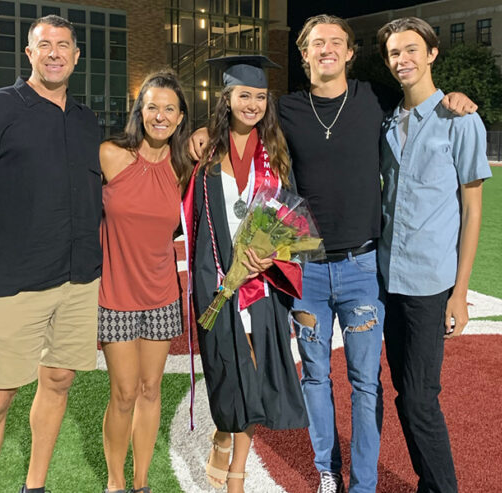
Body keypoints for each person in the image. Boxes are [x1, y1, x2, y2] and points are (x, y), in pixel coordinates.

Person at [190, 14, 477, 493]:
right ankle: (329, 472)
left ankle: (364, 483)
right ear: (304, 56)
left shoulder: (374, 99)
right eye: (315, 43)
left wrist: (453, 97)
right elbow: (242, 120)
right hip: (308, 274)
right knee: (315, 380)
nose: (326, 49)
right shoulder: (285, 110)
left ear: (349, 53)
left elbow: (420, 97)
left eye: (336, 42)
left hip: (365, 269)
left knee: (367, 383)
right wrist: (205, 131)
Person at [0, 15, 101, 493]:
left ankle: (34, 485)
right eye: (44, 45)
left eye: (63, 46)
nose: (54, 53)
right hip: (15, 278)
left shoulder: (84, 119)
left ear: (76, 57)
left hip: (78, 278)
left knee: (58, 382)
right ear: (28, 54)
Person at [183, 55, 308, 493]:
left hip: (263, 282)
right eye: (244, 95)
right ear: (227, 98)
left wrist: (273, 253)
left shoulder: (275, 153)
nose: (252, 104)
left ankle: (238, 471)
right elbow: (193, 218)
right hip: (216, 277)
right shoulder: (204, 151)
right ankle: (222, 430)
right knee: (225, 368)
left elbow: (290, 217)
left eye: (259, 97)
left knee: (254, 370)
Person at [376, 17, 491, 493]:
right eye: (393, 53)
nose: (401, 60)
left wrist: (460, 292)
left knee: (420, 397)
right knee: (405, 394)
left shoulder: (460, 119)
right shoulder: (386, 123)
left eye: (410, 50)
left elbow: (473, 209)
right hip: (386, 278)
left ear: (431, 54)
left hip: (429, 283)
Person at [97, 70, 192, 493]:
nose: (160, 115)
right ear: (140, 111)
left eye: (169, 109)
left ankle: (140, 483)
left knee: (151, 389)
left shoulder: (183, 169)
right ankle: (115, 483)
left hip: (161, 295)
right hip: (115, 294)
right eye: (152, 106)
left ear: (180, 117)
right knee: (124, 392)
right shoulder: (110, 156)